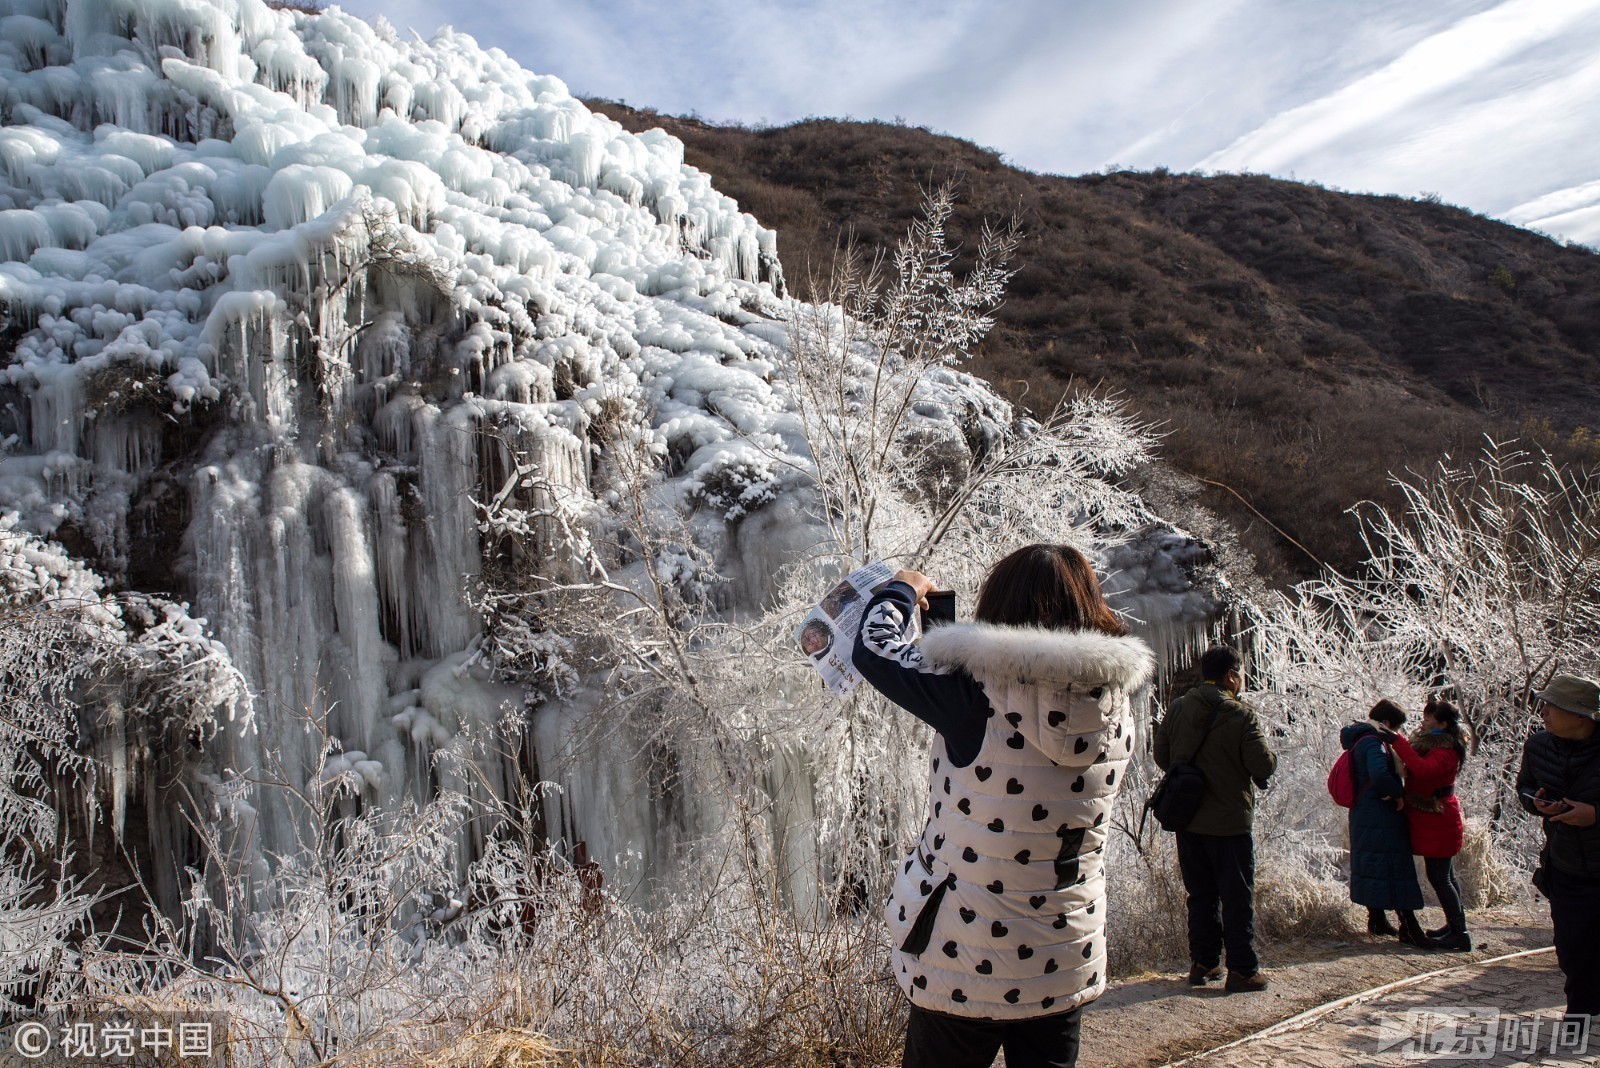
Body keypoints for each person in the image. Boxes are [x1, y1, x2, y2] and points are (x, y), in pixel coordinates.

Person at [853, 544, 1154, 1068]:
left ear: (1000, 607)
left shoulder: (974, 700)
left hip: (963, 960)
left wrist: (903, 588)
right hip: (1060, 956)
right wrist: (943, 633)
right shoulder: (1114, 707)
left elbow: (872, 647)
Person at [1154, 646, 1277, 992]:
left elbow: (1161, 754)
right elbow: (1262, 766)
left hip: (1188, 820)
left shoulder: (1178, 708)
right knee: (1236, 896)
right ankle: (1242, 969)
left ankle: (1203, 963)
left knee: (1201, 895)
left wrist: (1192, 781)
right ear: (1231, 676)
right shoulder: (1241, 715)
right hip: (1229, 822)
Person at [1516, 672, 1600, 1030]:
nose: (1544, 712)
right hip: (1565, 865)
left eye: (1553, 706)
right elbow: (1525, 788)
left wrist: (1595, 815)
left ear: (1581, 716)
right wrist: (1538, 803)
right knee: (1571, 945)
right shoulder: (1538, 746)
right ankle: (1580, 1011)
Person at [1342, 700, 1431, 948]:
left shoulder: (1359, 737)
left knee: (1374, 865)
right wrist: (1398, 793)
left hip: (1364, 813)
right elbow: (1379, 773)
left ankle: (1377, 919)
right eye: (1398, 728)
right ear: (1388, 724)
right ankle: (1409, 926)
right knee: (1395, 866)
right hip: (1380, 814)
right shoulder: (1374, 742)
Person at [1386, 696, 1472, 950]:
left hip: (1439, 818)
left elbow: (1423, 770)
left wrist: (1398, 743)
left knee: (1440, 877)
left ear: (1442, 724)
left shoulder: (1446, 751)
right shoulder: (1437, 745)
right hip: (1436, 818)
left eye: (1427, 720)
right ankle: (1455, 925)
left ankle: (1460, 933)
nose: (1422, 723)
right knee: (1445, 875)